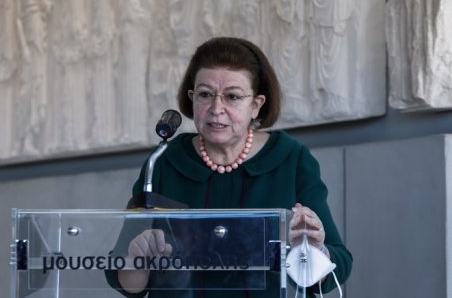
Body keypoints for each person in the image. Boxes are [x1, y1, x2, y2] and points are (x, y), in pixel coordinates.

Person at [107, 37, 352, 297]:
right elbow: (124, 279)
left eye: (232, 96)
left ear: (256, 105)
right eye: (205, 95)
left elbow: (337, 268)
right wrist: (138, 258)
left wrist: (315, 251)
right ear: (191, 98)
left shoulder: (290, 159)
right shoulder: (165, 161)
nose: (216, 109)